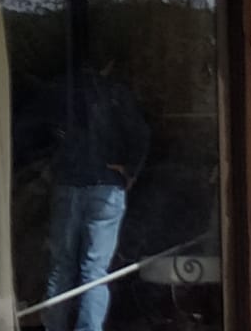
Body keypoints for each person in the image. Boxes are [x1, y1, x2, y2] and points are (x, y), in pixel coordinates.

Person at [41, 61, 149, 331]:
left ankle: (54, 327)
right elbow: (140, 134)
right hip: (106, 184)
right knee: (95, 269)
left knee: (61, 265)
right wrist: (129, 171)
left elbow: (38, 133)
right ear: (109, 64)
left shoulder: (60, 91)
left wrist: (50, 170)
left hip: (67, 183)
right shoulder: (115, 92)